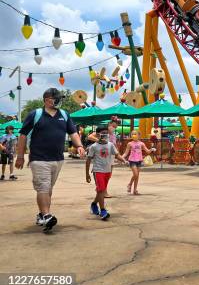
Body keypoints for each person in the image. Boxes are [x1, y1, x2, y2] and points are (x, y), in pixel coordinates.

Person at [15, 88, 85, 233]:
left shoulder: (64, 115)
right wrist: (20, 156)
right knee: (43, 188)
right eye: (57, 98)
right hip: (39, 159)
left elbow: (73, 132)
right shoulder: (36, 114)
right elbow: (22, 136)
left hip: (58, 159)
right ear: (47, 100)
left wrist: (79, 146)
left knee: (48, 189)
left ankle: (41, 215)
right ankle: (47, 215)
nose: (60, 100)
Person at [85, 126, 127, 220]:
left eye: (106, 133)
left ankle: (94, 204)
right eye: (102, 133)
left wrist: (124, 160)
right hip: (98, 171)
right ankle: (103, 210)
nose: (105, 135)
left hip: (107, 171)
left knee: (101, 190)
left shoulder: (110, 145)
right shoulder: (94, 147)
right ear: (98, 134)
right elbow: (88, 161)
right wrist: (87, 174)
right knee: (101, 190)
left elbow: (117, 155)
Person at [122, 130, 155, 195]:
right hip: (132, 160)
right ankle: (130, 184)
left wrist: (151, 149)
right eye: (132, 134)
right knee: (136, 174)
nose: (133, 135)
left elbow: (147, 151)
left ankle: (135, 190)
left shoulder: (141, 143)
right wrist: (121, 158)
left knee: (137, 176)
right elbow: (126, 153)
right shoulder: (130, 144)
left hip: (139, 161)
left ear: (139, 135)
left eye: (135, 134)